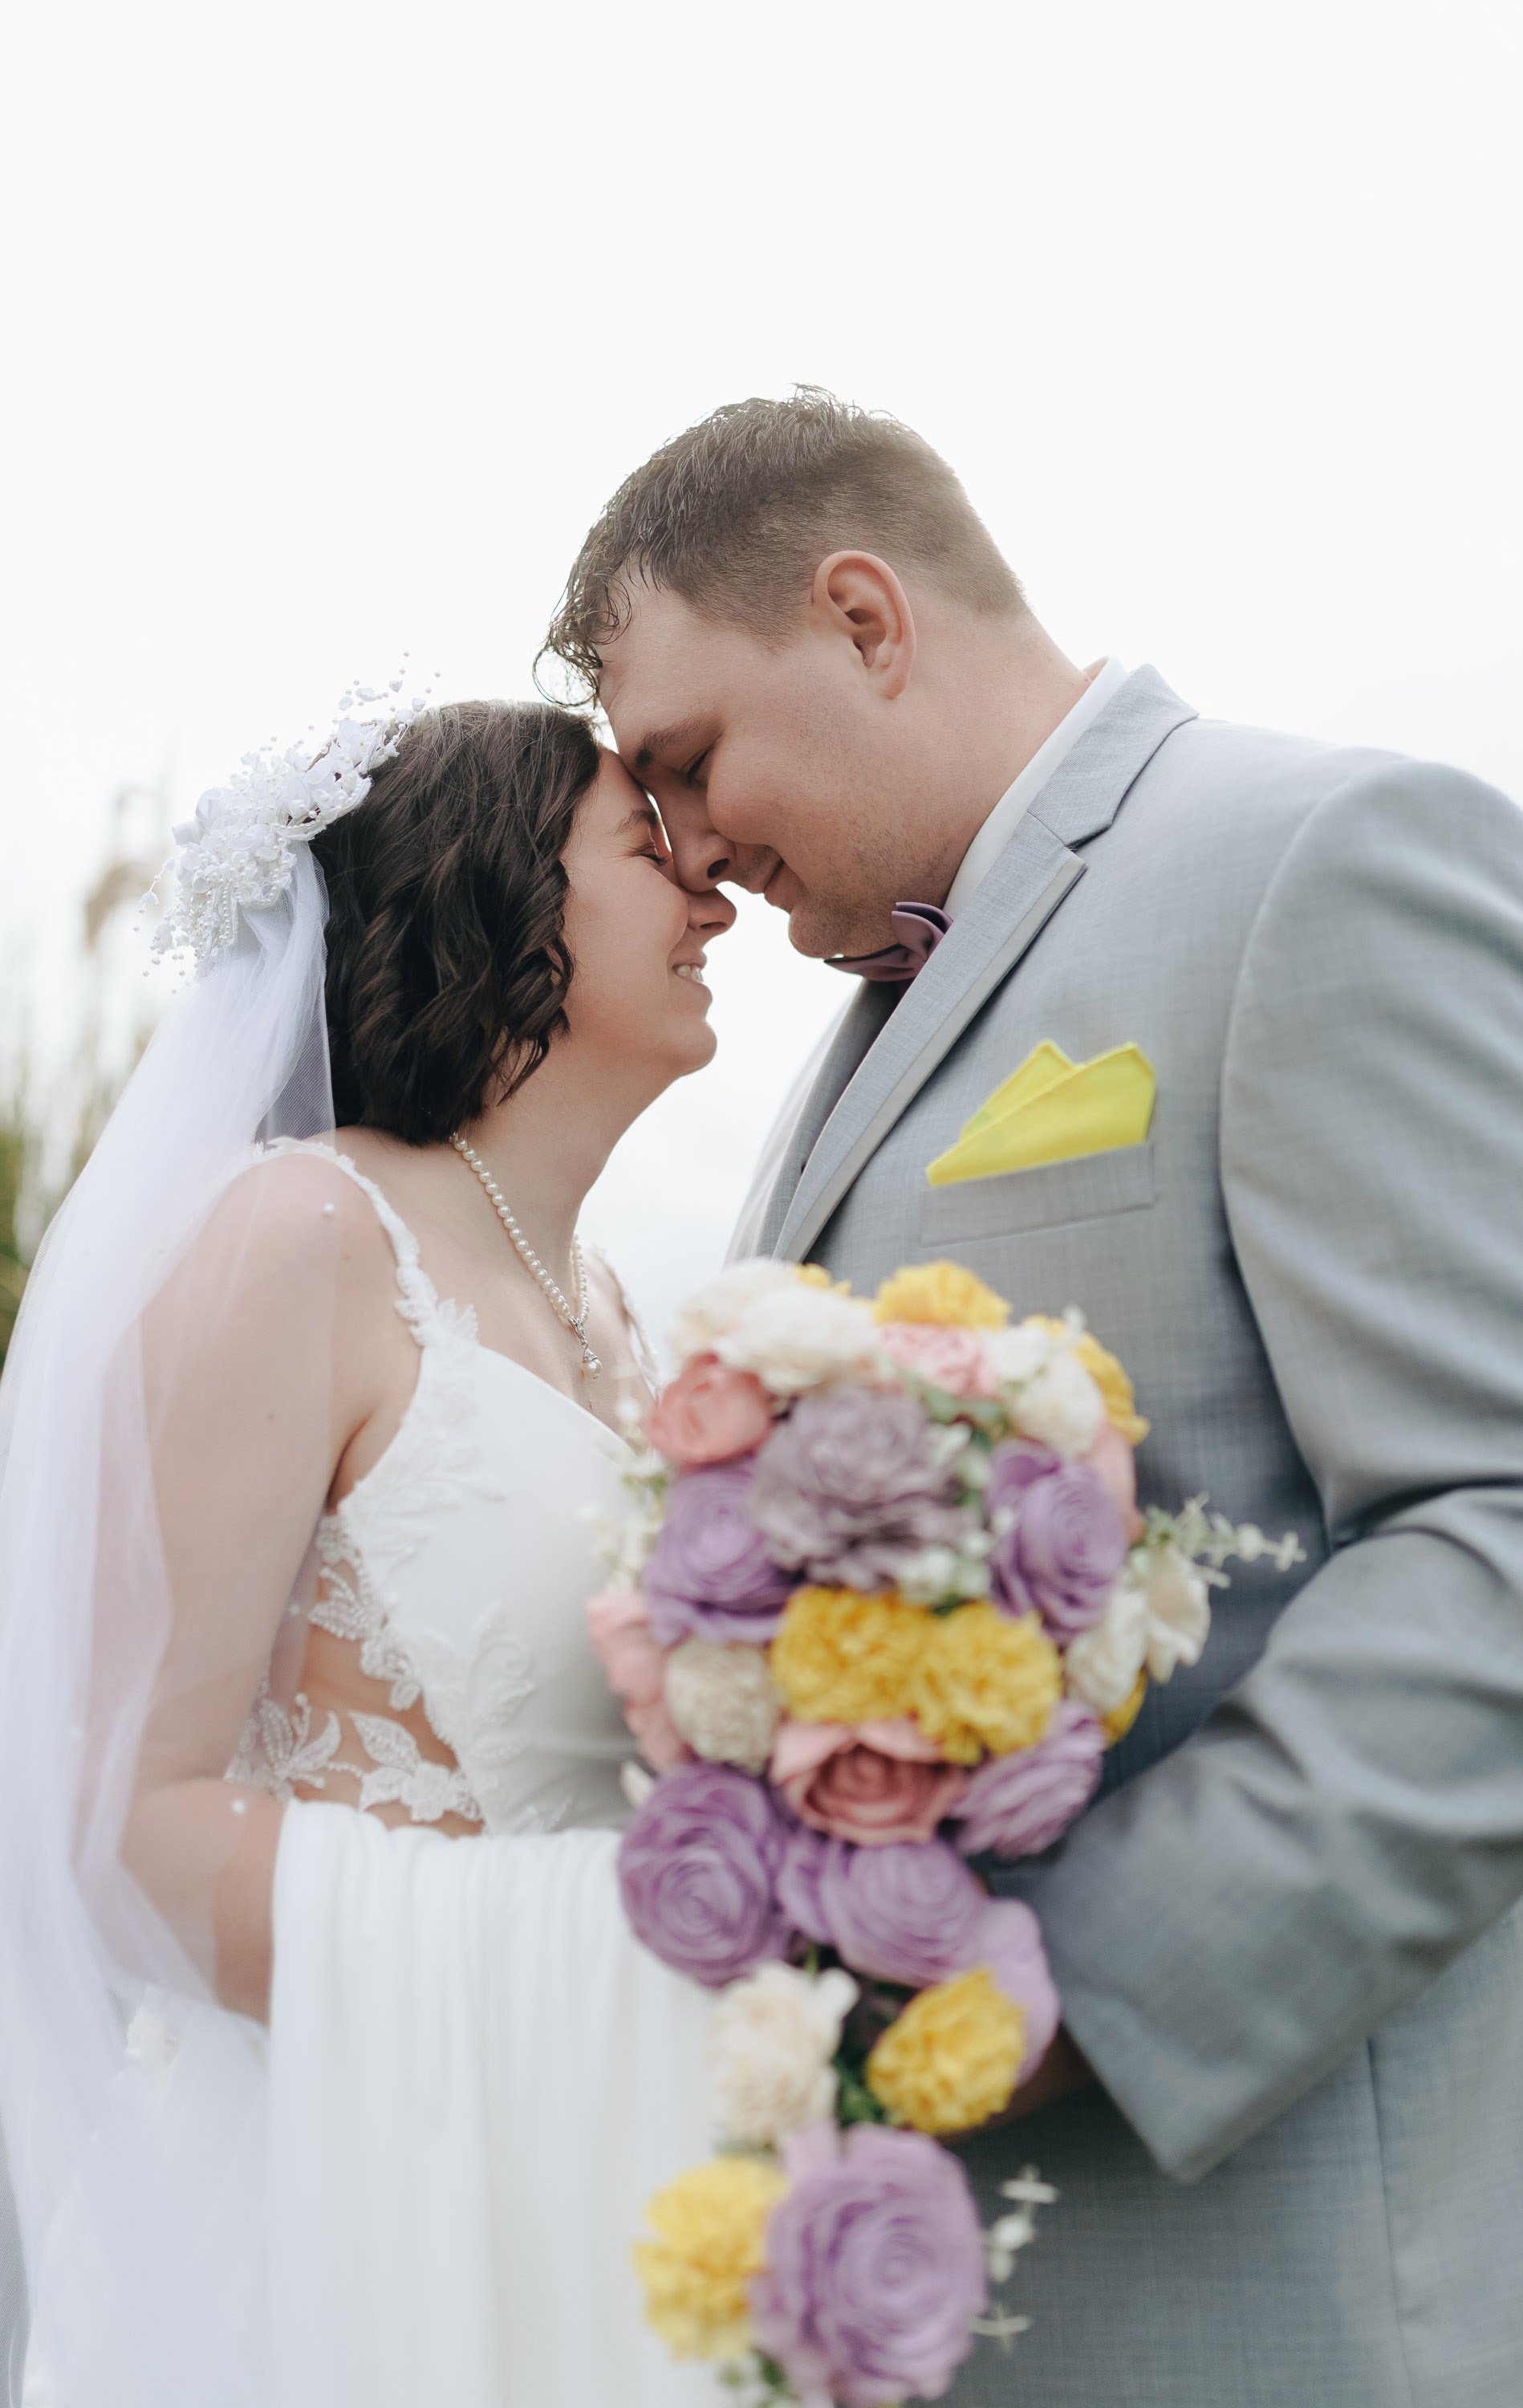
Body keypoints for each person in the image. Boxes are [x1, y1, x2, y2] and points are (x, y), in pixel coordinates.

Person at [548, 387, 1523, 2406]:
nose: (685, 847)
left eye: (686, 762)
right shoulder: (845, 1046)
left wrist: (1073, 1982)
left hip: (1307, 2279)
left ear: (866, 619)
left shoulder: (1326, 859)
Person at [0, 697, 733, 2407]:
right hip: (338, 2203)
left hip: (594, 2169)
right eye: (646, 851)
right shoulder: (301, 1235)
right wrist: (614, 1940)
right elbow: (112, 1825)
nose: (708, 894)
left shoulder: (624, 1307)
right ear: (502, 897)